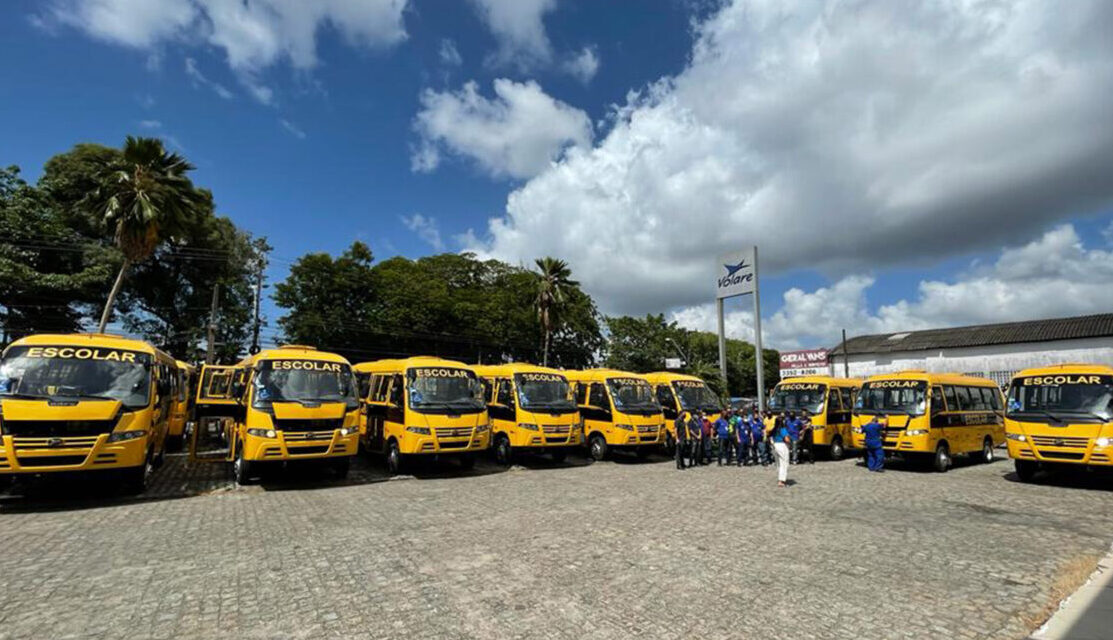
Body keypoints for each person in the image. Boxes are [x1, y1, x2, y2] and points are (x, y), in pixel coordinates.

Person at [770, 414, 792, 487]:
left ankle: (780, 477)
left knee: (778, 463)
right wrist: (790, 442)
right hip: (782, 445)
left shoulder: (773, 429)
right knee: (784, 463)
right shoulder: (782, 429)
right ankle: (781, 480)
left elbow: (770, 438)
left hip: (775, 446)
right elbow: (786, 439)